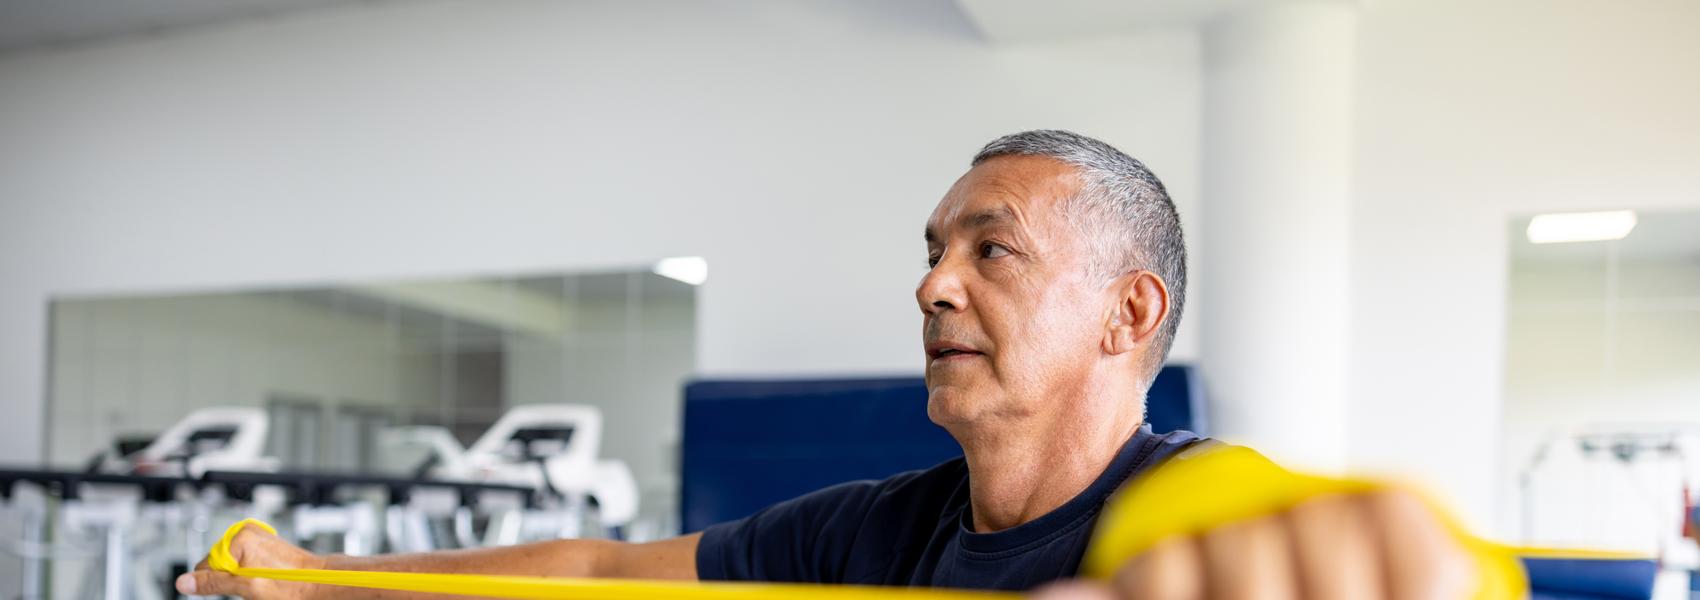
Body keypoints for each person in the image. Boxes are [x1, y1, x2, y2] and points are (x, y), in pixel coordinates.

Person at [178, 130, 1475, 600]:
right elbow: (595, 568)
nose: (931, 283)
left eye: (991, 249)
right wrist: (324, 580)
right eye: (930, 249)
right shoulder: (880, 530)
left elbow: (1299, 550)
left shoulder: (1189, 516)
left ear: (1126, 315)